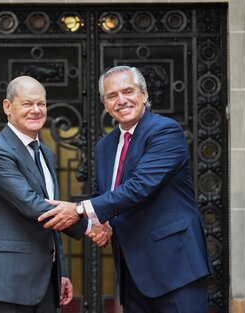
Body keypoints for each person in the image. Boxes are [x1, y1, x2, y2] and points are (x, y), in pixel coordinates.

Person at [39, 66, 213, 313]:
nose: (121, 100)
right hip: (132, 272)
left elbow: (140, 187)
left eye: (128, 91)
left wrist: (78, 210)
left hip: (175, 267)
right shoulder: (104, 146)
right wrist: (102, 224)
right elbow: (103, 194)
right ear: (105, 105)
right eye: (112, 96)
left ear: (144, 94)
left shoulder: (165, 131)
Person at [0, 76, 110, 313]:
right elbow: (32, 205)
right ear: (8, 107)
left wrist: (61, 271)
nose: (36, 110)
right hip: (8, 283)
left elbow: (51, 215)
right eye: (27, 104)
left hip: (45, 281)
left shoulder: (45, 153)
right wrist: (89, 226)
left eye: (42, 104)